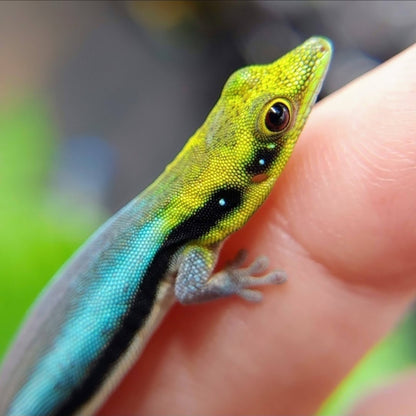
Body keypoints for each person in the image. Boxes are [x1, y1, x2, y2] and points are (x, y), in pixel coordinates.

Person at [99, 41, 416, 416]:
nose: (311, 51)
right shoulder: (194, 246)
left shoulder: (185, 223)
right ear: (252, 171)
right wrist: (230, 280)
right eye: (277, 118)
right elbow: (188, 289)